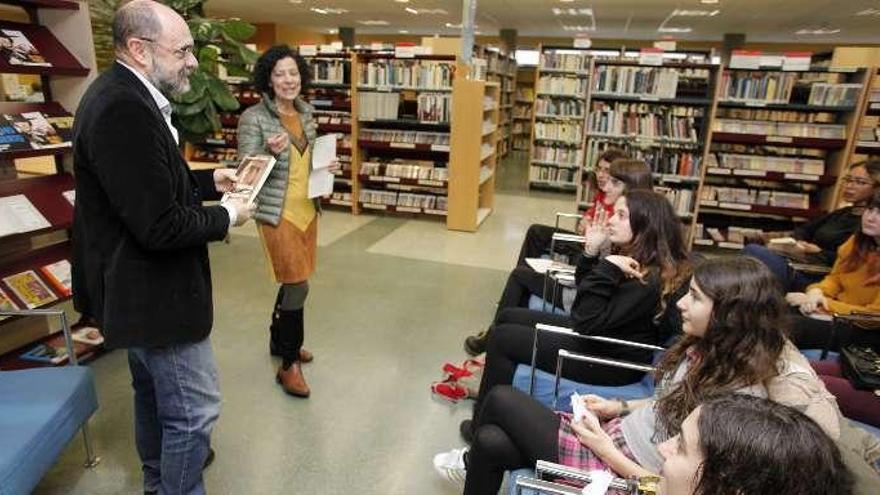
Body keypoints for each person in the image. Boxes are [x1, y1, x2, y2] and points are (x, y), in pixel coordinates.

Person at [436, 256, 843, 494]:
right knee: (492, 441)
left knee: (501, 400)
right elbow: (671, 400)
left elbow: (680, 487)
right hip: (618, 437)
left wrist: (605, 448)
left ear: (730, 314)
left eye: (696, 298)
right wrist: (620, 405)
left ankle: (471, 461)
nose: (682, 303)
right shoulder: (709, 350)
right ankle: (475, 460)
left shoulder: (740, 397)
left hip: (626, 468)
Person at [71, 1, 254, 494]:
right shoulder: (123, 109)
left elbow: (145, 185)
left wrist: (208, 181)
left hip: (135, 293)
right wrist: (228, 215)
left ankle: (157, 486)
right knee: (194, 414)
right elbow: (158, 225)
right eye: (184, 50)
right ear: (140, 49)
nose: (193, 61)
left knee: (152, 398)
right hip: (154, 298)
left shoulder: (122, 94)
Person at [460, 190, 692, 442]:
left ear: (645, 224)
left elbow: (585, 319)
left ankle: (481, 424)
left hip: (609, 359)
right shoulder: (636, 258)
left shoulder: (648, 279)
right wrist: (592, 254)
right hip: (601, 339)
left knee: (504, 340)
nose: (611, 220)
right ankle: (489, 394)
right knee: (509, 317)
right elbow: (586, 291)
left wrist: (607, 267)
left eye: (621, 215)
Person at [464, 159, 654, 356]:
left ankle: (494, 335)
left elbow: (592, 290)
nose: (604, 182)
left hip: (581, 302)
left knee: (520, 276)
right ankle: (497, 330)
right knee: (525, 266)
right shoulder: (618, 219)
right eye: (600, 170)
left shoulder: (625, 232)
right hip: (586, 291)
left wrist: (593, 250)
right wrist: (590, 245)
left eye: (615, 182)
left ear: (631, 189)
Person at [237, 44, 335, 398]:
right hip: (277, 213)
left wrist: (324, 166)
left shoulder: (306, 112)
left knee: (296, 279)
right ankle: (289, 364)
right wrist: (268, 152)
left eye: (293, 73)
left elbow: (305, 160)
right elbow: (244, 170)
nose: (288, 80)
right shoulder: (254, 118)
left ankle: (279, 341)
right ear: (268, 78)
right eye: (279, 73)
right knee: (298, 284)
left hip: (307, 209)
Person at [745, 160, 880, 292]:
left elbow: (855, 260)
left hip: (819, 276)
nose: (850, 186)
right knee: (751, 261)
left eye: (860, 182)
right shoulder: (841, 214)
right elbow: (805, 229)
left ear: (877, 188)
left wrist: (819, 252)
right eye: (848, 180)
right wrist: (798, 243)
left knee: (754, 253)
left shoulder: (870, 224)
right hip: (802, 263)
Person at [786, 190, 880, 352]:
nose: (870, 218)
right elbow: (836, 278)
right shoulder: (859, 241)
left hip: (866, 331)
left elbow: (874, 317)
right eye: (870, 209)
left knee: (789, 326)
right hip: (839, 315)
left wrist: (826, 305)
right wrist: (816, 292)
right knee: (772, 309)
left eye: (879, 213)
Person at [515, 149, 633, 266]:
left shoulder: (622, 204)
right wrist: (585, 221)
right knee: (536, 231)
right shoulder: (602, 194)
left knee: (538, 240)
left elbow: (607, 237)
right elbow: (590, 215)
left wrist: (588, 228)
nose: (600, 175)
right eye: (598, 169)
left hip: (593, 252)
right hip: (584, 242)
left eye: (607, 170)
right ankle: (525, 271)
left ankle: (525, 275)